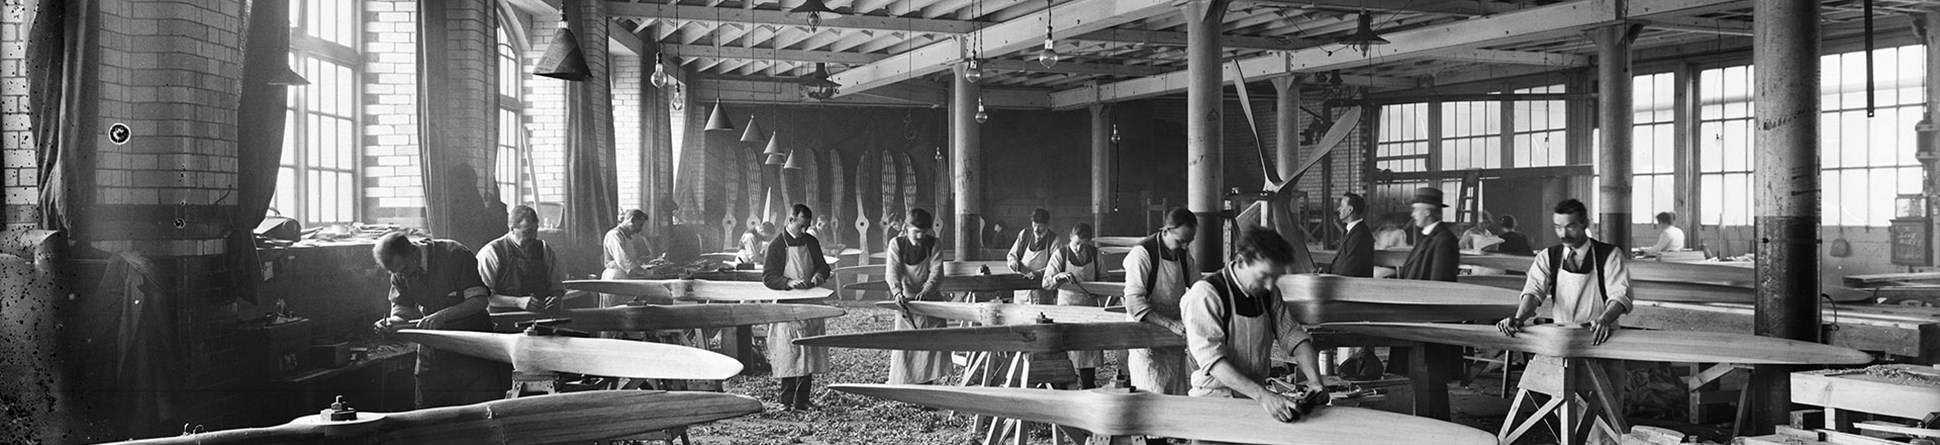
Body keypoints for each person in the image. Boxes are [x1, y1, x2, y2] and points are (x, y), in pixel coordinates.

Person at [1495, 199, 1633, 443]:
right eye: (1558, 227)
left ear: (1585, 224)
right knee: (1566, 411)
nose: (1563, 233)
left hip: (1601, 342)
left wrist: (1604, 319)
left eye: (1570, 227)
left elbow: (1620, 296)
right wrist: (1519, 318)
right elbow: (1533, 291)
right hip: (1563, 343)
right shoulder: (1550, 256)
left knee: (1605, 416)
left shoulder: (1609, 255)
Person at [1183, 226, 1327, 432]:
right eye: (1263, 275)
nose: (1269, 285)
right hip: (1214, 405)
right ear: (1241, 261)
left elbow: (1294, 337)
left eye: (1275, 278)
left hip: (1254, 403)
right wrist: (1264, 396)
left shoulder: (1269, 294)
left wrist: (1315, 381)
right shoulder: (1206, 295)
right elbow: (1214, 362)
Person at [369, 232, 506, 408]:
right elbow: (402, 308)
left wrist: (442, 315)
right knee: (429, 410)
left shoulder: (454, 254)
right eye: (396, 273)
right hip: (434, 348)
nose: (403, 276)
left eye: (403, 269)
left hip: (472, 346)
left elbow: (479, 301)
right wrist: (393, 322)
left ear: (413, 252)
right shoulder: (399, 273)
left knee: (482, 410)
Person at [762, 204, 834, 411]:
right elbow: (768, 277)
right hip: (788, 304)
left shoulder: (811, 241)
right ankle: (786, 400)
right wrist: (788, 282)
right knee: (789, 351)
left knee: (808, 351)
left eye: (807, 226)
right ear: (791, 220)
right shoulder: (777, 244)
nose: (805, 230)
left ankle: (802, 400)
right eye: (801, 226)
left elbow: (823, 266)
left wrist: (819, 275)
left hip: (810, 301)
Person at [1122, 208, 1201, 395]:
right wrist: (1170, 324)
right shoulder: (1142, 254)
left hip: (1173, 338)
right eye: (1181, 241)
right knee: (1152, 397)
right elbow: (1134, 304)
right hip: (1147, 336)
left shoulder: (1183, 254)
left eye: (1188, 243)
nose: (1184, 247)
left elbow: (1199, 288)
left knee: (1175, 396)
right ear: (1165, 231)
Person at [1041, 222, 1110, 389]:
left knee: (1087, 356)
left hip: (1089, 311)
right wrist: (1058, 277)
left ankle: (1088, 388)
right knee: (1066, 355)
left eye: (1083, 245)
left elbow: (1105, 279)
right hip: (1067, 312)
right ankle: (1063, 391)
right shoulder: (1061, 254)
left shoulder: (1095, 254)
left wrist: (1098, 290)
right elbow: (1046, 283)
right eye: (1076, 243)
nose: (1079, 248)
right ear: (1070, 238)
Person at [887, 208, 949, 385]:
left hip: (930, 303)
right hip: (906, 304)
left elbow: (937, 272)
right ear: (907, 228)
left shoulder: (934, 243)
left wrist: (927, 290)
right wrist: (897, 292)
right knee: (907, 348)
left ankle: (926, 391)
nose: (920, 236)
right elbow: (893, 271)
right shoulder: (896, 244)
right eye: (916, 232)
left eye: (924, 232)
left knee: (930, 349)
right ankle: (909, 391)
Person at [476, 205, 564, 313]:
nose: (533, 236)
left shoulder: (544, 249)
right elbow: (482, 297)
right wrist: (517, 302)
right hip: (502, 320)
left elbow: (556, 286)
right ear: (512, 229)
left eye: (535, 231)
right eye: (526, 232)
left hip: (540, 319)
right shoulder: (491, 253)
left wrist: (556, 298)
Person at [1397, 187, 1460, 282]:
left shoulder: (1444, 240)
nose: (1413, 215)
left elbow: (1440, 281)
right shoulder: (1427, 235)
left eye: (1416, 210)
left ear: (1427, 212)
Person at [1008, 208, 1061, 304]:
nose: (1036, 229)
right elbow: (1012, 255)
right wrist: (1013, 262)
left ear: (1047, 224)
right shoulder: (1024, 234)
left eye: (1040, 226)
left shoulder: (1054, 240)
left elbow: (1055, 267)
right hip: (1022, 290)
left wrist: (1038, 274)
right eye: (1034, 225)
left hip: (1041, 291)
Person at [602, 209, 665, 281]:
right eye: (640, 225)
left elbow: (631, 261)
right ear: (632, 220)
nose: (640, 229)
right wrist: (646, 273)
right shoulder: (614, 235)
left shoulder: (627, 237)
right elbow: (623, 261)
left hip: (624, 277)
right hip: (614, 277)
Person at [1330, 193, 1374, 278]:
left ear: (1350, 209)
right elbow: (1340, 261)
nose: (1339, 209)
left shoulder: (1360, 234)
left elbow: (1350, 269)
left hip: (1353, 286)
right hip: (1342, 281)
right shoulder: (1350, 231)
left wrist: (1331, 281)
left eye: (1342, 206)